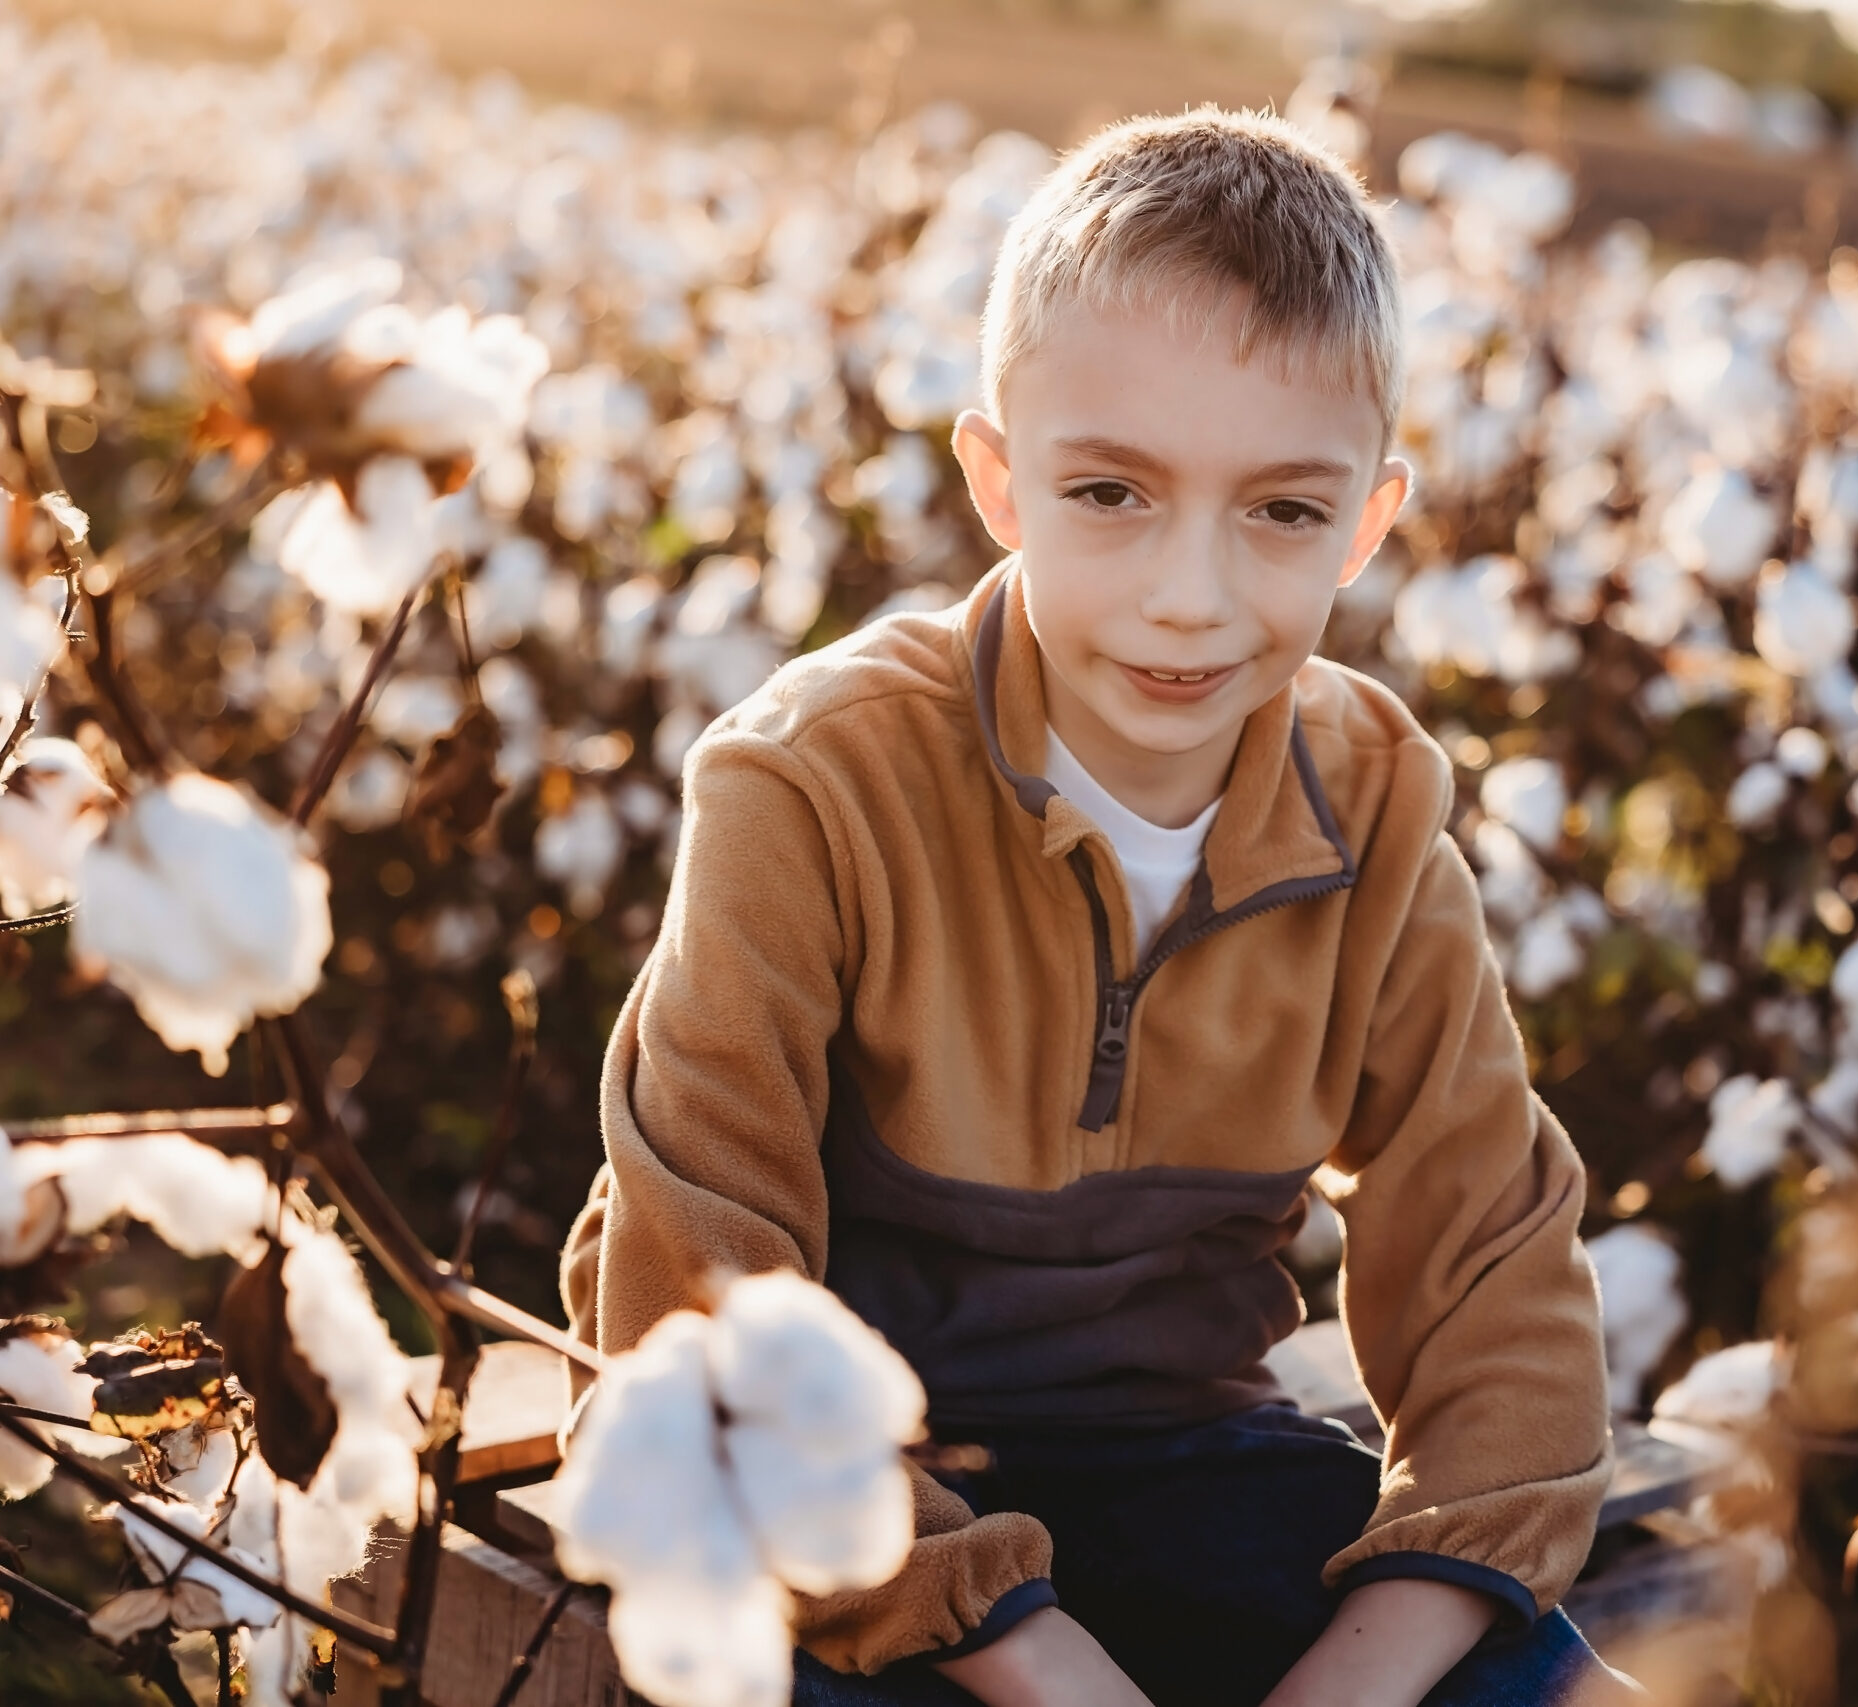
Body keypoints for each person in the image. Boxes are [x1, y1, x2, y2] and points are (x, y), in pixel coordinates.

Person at [562, 107, 1623, 1707]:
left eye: (1282, 512)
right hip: (838, 1502)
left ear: (1372, 522)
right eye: (1113, 492)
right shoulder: (809, 789)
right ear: (996, 480)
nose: (1189, 594)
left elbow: (1501, 1284)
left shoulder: (1379, 816)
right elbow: (693, 1288)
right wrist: (1039, 1662)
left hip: (1181, 1458)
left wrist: (1353, 1679)